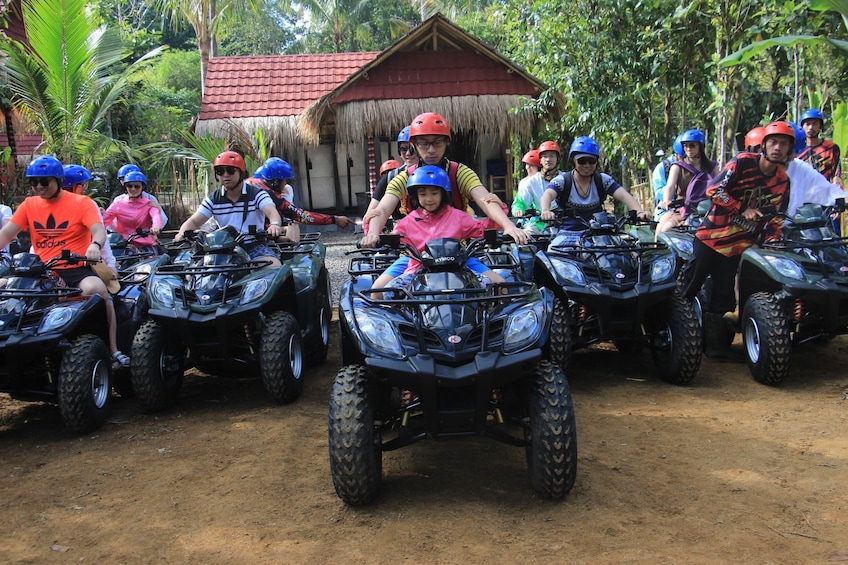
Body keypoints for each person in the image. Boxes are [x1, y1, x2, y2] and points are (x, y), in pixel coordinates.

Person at [0, 155, 129, 368]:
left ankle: (113, 350)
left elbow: (98, 229)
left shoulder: (82, 203)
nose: (39, 187)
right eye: (34, 182)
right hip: (41, 270)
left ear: (58, 180)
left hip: (75, 268)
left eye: (44, 181)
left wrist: (94, 245)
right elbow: (7, 233)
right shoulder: (29, 205)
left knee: (98, 290)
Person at [680, 121, 793, 360]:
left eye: (784, 144)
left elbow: (777, 218)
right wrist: (741, 208)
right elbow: (713, 189)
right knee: (687, 289)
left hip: (737, 247)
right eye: (773, 142)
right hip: (711, 237)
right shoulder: (742, 162)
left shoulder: (783, 181)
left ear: (789, 150)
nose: (778, 148)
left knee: (724, 298)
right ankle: (669, 338)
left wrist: (772, 241)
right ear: (763, 144)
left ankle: (716, 349)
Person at [361, 112, 528, 247]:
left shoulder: (460, 172)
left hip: (458, 252)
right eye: (424, 144)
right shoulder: (403, 177)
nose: (431, 150)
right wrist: (374, 233)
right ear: (414, 145)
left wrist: (509, 226)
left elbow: (485, 199)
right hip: (416, 253)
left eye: (438, 142)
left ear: (447, 142)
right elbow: (382, 209)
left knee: (497, 284)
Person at [372, 165, 504, 292]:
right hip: (418, 267)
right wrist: (373, 235)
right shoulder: (408, 222)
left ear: (443, 194)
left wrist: (499, 208)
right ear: (416, 196)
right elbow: (392, 238)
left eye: (434, 193)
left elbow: (482, 229)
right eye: (423, 194)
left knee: (500, 286)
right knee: (380, 292)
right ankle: (399, 315)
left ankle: (490, 315)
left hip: (459, 266)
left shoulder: (458, 217)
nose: (429, 199)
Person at [175, 151, 285, 267]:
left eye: (231, 170)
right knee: (193, 273)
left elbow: (271, 211)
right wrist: (181, 233)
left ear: (241, 173)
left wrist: (275, 224)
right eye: (220, 171)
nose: (225, 175)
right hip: (222, 252)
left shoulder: (257, 194)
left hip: (254, 246)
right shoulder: (213, 199)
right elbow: (194, 221)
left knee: (274, 267)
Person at [539, 136, 650, 244]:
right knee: (555, 257)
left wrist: (640, 212)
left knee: (626, 256)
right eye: (582, 161)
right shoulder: (563, 180)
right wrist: (545, 210)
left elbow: (624, 196)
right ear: (574, 161)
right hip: (568, 234)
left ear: (596, 162)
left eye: (591, 161)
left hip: (599, 236)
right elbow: (547, 195)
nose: (587, 165)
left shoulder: (602, 180)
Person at [247, 157, 351, 239]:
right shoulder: (270, 196)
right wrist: (334, 219)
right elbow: (302, 216)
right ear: (276, 181)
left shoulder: (251, 183)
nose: (285, 184)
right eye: (285, 181)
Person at [656, 129, 718, 235]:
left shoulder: (712, 167)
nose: (688, 149)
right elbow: (670, 187)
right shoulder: (677, 166)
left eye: (692, 145)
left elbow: (721, 186)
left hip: (710, 211)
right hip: (684, 210)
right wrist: (667, 200)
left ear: (700, 146)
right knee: (665, 230)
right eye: (685, 146)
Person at [362, 126, 418, 233]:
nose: (408, 153)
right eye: (403, 149)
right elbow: (370, 215)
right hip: (402, 236)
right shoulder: (391, 178)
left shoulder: (438, 174)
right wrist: (373, 234)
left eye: (413, 149)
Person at [798, 108, 843, 234]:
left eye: (815, 124)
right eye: (807, 124)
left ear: (820, 126)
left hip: (825, 199)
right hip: (803, 201)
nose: (811, 127)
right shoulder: (796, 150)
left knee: (832, 237)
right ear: (802, 126)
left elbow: (836, 174)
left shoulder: (831, 148)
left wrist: (837, 199)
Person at [102, 171, 164, 253]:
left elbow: (156, 216)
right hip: (123, 245)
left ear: (142, 187)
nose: (133, 189)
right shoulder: (117, 204)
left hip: (145, 244)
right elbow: (103, 221)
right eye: (129, 186)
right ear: (125, 187)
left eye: (137, 186)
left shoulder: (149, 204)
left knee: (153, 261)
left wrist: (156, 227)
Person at [115, 163, 168, 228]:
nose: (133, 189)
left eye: (136, 185)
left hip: (145, 235)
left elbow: (162, 221)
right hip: (124, 235)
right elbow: (112, 225)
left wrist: (158, 209)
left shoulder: (150, 198)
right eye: (129, 185)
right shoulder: (119, 200)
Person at [511, 149, 551, 234]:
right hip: (533, 222)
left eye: (532, 165)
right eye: (527, 165)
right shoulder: (524, 183)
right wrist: (518, 210)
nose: (528, 168)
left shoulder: (556, 180)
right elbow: (519, 202)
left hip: (552, 223)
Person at [652, 135, 683, 218]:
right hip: (667, 209)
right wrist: (674, 187)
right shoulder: (662, 168)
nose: (685, 161)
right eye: (682, 157)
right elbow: (658, 192)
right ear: (676, 154)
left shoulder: (695, 166)